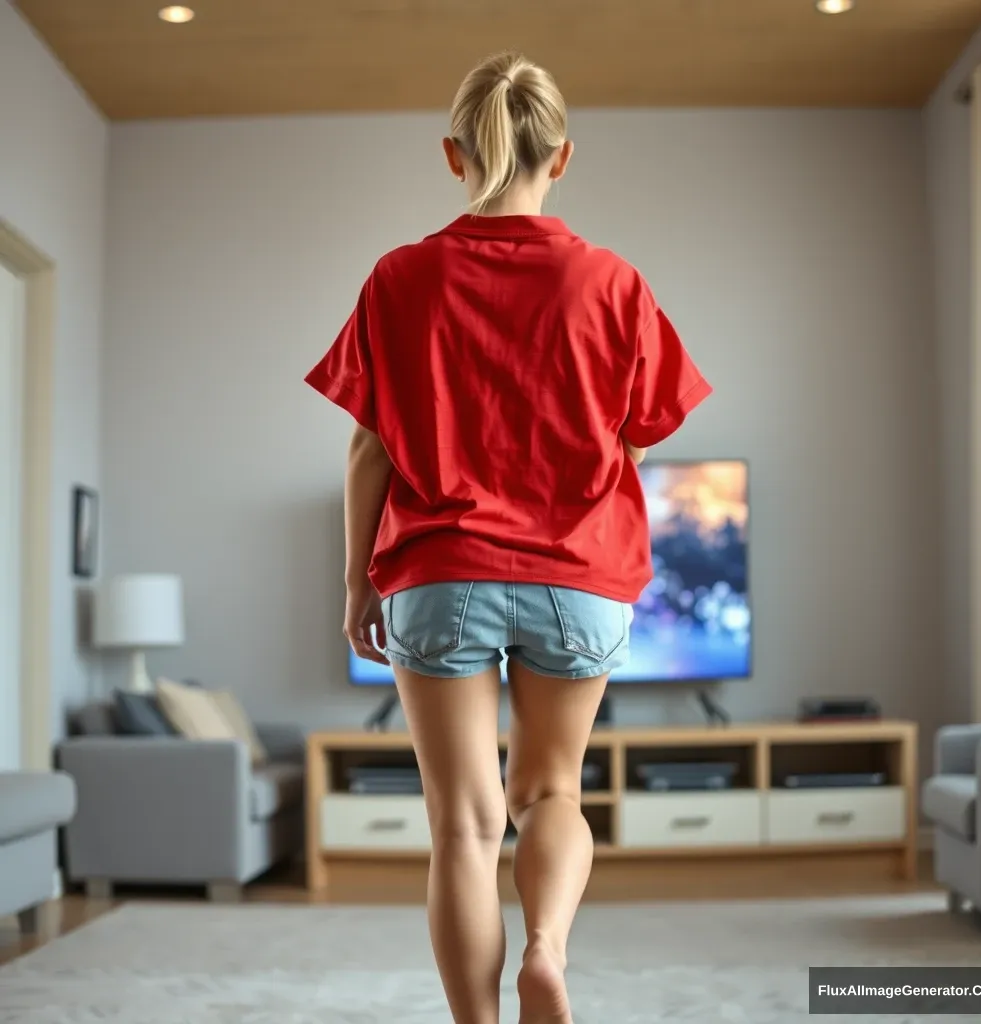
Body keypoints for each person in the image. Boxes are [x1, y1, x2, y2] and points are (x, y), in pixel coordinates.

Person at [306, 50, 711, 1024]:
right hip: (577, 573)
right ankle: (546, 949)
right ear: (561, 156)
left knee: (461, 821)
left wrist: (360, 581)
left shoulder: (399, 279)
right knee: (550, 792)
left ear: (454, 156)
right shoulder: (612, 283)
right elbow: (643, 429)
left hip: (439, 570)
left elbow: (368, 449)